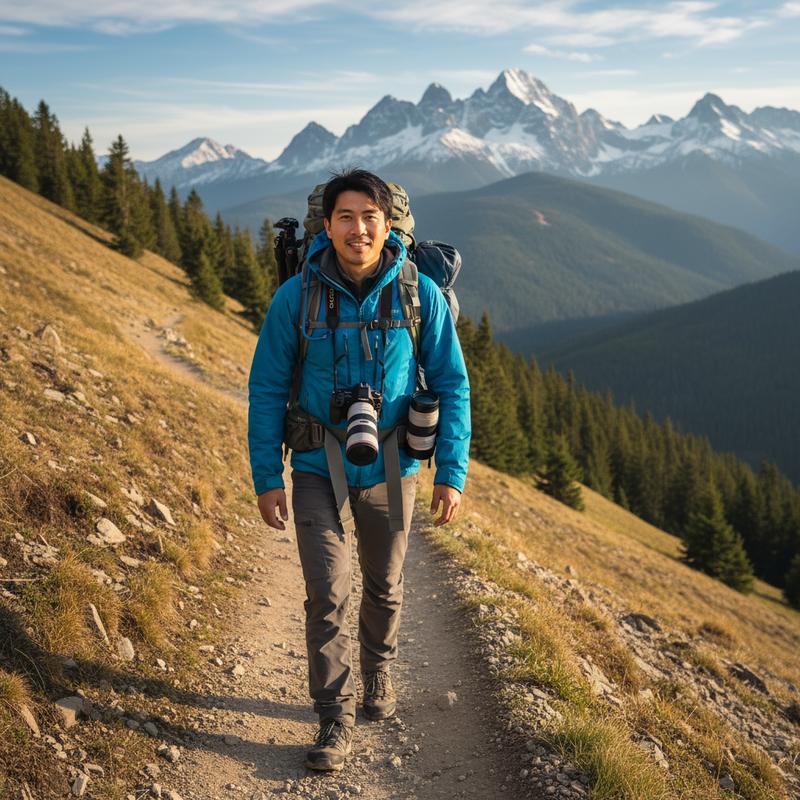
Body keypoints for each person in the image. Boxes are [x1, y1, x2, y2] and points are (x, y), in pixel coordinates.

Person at [248, 169, 470, 771]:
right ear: (328, 225)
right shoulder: (297, 296)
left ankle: (379, 673)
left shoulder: (418, 292)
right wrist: (268, 477)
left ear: (388, 223)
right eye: (346, 217)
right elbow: (267, 387)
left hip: (394, 462)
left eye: (370, 216)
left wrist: (451, 470)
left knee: (384, 584)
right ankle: (333, 719)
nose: (358, 228)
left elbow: (452, 381)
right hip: (318, 462)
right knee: (326, 592)